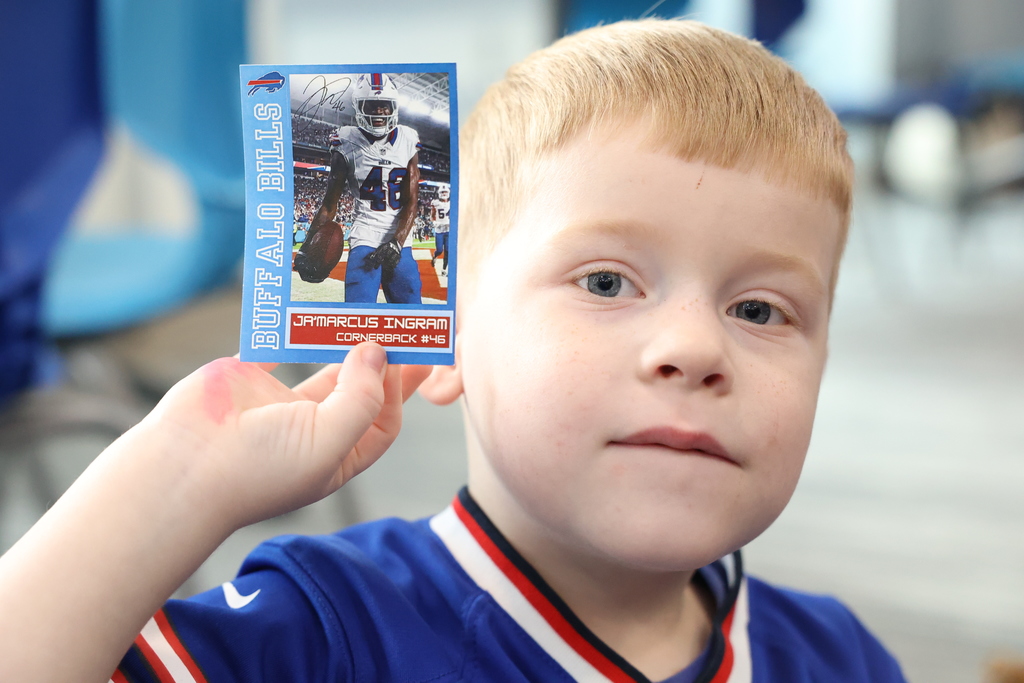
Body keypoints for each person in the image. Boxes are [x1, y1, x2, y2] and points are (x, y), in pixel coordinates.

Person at [0, 20, 908, 683]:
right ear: (446, 332)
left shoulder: (844, 658)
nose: (693, 347)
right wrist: (186, 470)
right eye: (604, 282)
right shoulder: (324, 632)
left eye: (760, 307)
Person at [293, 72, 423, 303]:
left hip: (401, 238)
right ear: (359, 107)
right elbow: (329, 203)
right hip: (364, 237)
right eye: (372, 106)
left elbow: (411, 201)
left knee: (411, 312)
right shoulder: (346, 140)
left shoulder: (408, 138)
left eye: (384, 106)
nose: (379, 112)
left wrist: (397, 241)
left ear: (393, 107)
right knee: (358, 309)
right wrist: (308, 243)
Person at [430, 185, 451, 276]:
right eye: (442, 192)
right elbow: (432, 215)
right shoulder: (435, 203)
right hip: (439, 229)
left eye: (445, 192)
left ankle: (444, 269)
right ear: (439, 193)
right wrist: (434, 222)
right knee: (439, 250)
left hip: (449, 229)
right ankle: (435, 256)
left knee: (448, 250)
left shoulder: (452, 202)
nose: (444, 194)